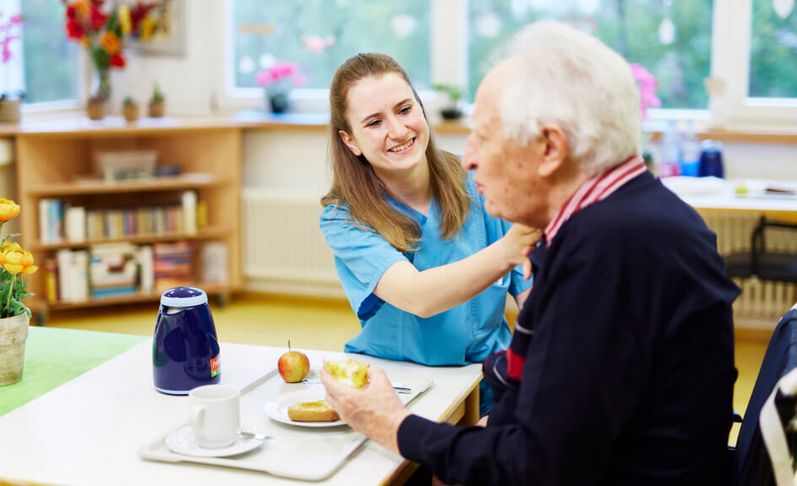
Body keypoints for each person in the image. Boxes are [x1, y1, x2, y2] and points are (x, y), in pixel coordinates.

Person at [321, 21, 739, 485]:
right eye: (374, 121)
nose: (469, 158)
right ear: (349, 139)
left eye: (485, 136)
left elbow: (534, 461)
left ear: (549, 147)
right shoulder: (630, 221)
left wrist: (398, 428)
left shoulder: (604, 251)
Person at [320, 53, 537, 414]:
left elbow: (533, 298)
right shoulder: (343, 219)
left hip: (492, 384)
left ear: (421, 109)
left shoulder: (479, 180)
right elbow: (418, 297)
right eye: (374, 122)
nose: (397, 131)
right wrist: (510, 248)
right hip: (402, 390)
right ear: (351, 141)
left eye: (404, 109)